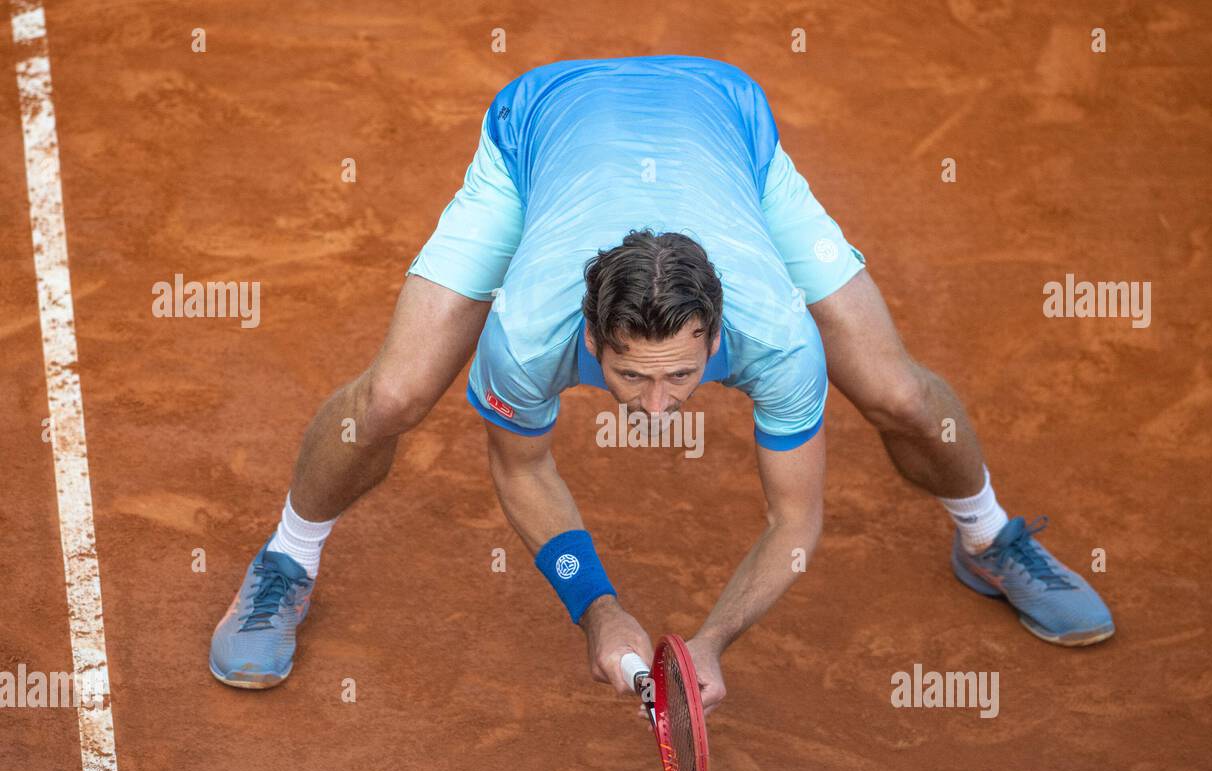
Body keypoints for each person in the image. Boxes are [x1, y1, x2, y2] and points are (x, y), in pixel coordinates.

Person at [209, 55, 1113, 712]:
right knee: (396, 396)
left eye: (682, 376)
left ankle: (987, 537)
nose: (655, 411)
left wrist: (711, 641)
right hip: (540, 126)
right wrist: (597, 610)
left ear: (719, 336)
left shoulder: (778, 338)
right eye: (628, 378)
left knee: (900, 395)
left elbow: (795, 521)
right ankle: (289, 554)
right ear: (589, 338)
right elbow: (523, 470)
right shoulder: (526, 333)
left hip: (724, 120)